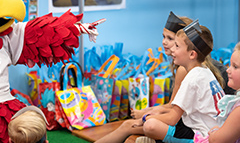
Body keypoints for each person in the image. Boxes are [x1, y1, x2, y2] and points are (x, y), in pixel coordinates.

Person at [95, 17, 225, 143]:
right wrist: (151, 112)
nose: (168, 45)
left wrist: (147, 116)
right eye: (164, 37)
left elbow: (174, 115)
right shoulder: (203, 71)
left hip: (201, 133)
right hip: (211, 129)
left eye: (175, 44)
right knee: (138, 125)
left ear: (192, 53)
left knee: (145, 125)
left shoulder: (189, 74)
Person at [194, 42, 240, 143]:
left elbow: (217, 140)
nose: (228, 70)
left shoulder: (238, 111)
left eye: (235, 67)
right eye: (230, 65)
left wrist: (214, 131)